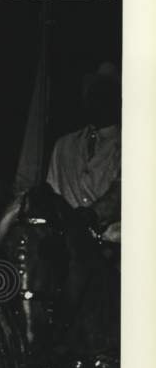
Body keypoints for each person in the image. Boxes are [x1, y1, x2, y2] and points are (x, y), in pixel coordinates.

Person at [46, 62, 121, 243]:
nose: (97, 99)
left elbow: (122, 192)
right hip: (67, 245)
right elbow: (52, 193)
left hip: (114, 247)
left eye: (106, 93)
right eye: (93, 92)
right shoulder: (64, 145)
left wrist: (91, 216)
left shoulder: (134, 145)